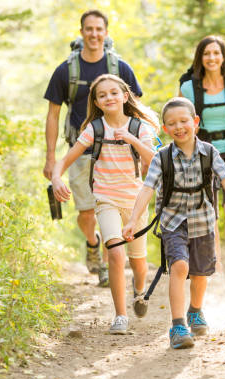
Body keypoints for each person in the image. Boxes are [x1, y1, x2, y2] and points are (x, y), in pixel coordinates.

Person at [122, 97, 225, 349]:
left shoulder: (209, 152)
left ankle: (195, 310)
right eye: (172, 123)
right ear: (165, 129)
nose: (179, 127)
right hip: (173, 222)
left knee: (200, 274)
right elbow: (146, 189)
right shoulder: (161, 158)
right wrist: (133, 220)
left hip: (203, 221)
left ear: (195, 122)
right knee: (179, 267)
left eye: (184, 121)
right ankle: (177, 326)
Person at [44, 10, 143, 286]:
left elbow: (135, 109)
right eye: (89, 29)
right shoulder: (66, 70)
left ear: (106, 33)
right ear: (81, 32)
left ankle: (108, 263)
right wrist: (51, 159)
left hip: (117, 151)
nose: (94, 34)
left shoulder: (120, 68)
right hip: (81, 149)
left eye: (99, 29)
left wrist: (143, 145)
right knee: (87, 212)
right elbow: (52, 115)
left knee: (114, 206)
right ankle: (92, 243)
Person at [52, 74, 157, 335]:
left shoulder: (140, 127)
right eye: (102, 95)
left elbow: (156, 160)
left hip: (135, 200)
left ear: (124, 96)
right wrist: (56, 178)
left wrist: (131, 140)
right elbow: (66, 160)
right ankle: (121, 316)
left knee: (139, 262)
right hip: (105, 197)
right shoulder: (94, 129)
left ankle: (140, 291)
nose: (108, 97)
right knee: (115, 252)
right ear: (97, 102)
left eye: (113, 93)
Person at [179, 35, 225, 276]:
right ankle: (216, 263)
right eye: (207, 54)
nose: (212, 58)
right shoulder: (188, 88)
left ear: (224, 57)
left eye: (216, 53)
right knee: (210, 207)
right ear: (200, 58)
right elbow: (181, 116)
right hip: (203, 150)